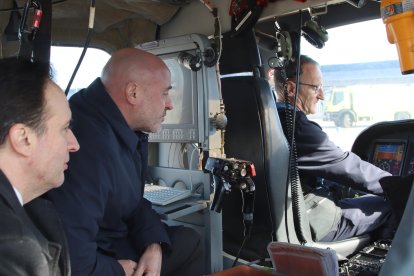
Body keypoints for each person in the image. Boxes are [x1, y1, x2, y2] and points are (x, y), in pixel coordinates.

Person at [47, 48, 203, 276]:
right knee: (191, 245)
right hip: (100, 257)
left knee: (188, 240)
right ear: (133, 93)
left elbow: (134, 202)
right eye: (164, 94)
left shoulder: (125, 131)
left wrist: (153, 244)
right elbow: (73, 257)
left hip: (115, 242)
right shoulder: (89, 149)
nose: (169, 104)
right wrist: (118, 270)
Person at [274, 55, 394, 242]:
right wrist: (400, 186)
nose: (321, 95)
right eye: (316, 87)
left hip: (282, 218)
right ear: (290, 88)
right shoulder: (295, 125)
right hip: (309, 221)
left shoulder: (271, 118)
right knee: (393, 204)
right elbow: (347, 165)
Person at [0, 57, 80, 275]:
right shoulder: (13, 249)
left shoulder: (27, 213)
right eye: (64, 129)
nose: (74, 145)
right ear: (23, 139)